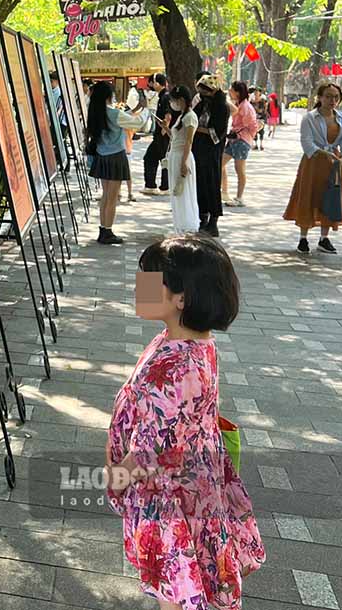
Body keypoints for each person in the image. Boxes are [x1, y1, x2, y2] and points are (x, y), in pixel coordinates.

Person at [107, 236, 265, 610]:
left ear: (182, 297)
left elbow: (150, 451)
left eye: (148, 280)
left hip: (168, 495)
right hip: (187, 485)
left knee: (176, 587)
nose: (137, 286)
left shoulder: (179, 367)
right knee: (177, 582)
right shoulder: (187, 343)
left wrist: (116, 480)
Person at [283, 82, 342, 254]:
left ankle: (324, 238)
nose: (332, 100)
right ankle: (303, 238)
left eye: (336, 97)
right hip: (313, 162)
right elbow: (307, 143)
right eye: (328, 96)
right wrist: (324, 153)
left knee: (330, 197)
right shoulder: (310, 118)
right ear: (320, 98)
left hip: (334, 163)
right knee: (308, 195)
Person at [85, 81, 138, 244]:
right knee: (112, 198)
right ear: (109, 96)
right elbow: (137, 123)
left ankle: (103, 229)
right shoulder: (115, 113)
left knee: (105, 196)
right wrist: (144, 113)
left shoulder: (94, 112)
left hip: (102, 156)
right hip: (116, 156)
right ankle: (107, 231)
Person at [192, 75, 228, 237]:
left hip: (212, 152)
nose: (202, 93)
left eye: (205, 90)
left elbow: (217, 133)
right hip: (198, 149)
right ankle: (202, 218)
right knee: (199, 184)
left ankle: (213, 222)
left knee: (212, 185)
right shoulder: (201, 104)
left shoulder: (221, 107)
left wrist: (198, 129)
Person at [166, 86, 199, 233]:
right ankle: (179, 224)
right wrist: (166, 129)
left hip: (182, 156)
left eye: (174, 100)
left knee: (183, 191)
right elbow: (176, 138)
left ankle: (187, 225)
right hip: (175, 155)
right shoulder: (181, 116)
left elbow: (188, 141)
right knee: (176, 191)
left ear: (181, 100)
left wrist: (184, 162)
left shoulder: (190, 117)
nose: (173, 103)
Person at [222, 81, 257, 207]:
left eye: (231, 90)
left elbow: (253, 126)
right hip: (234, 140)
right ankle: (223, 192)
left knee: (240, 169)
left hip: (241, 141)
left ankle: (239, 197)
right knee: (220, 164)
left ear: (237, 92)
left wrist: (246, 137)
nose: (229, 92)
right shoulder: (239, 105)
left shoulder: (246, 107)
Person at [142, 73, 173, 196]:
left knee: (160, 158)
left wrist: (163, 131)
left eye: (152, 82)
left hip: (162, 134)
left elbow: (168, 116)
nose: (150, 85)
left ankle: (163, 186)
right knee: (155, 158)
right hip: (161, 134)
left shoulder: (165, 97)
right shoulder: (163, 96)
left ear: (157, 83)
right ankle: (154, 185)